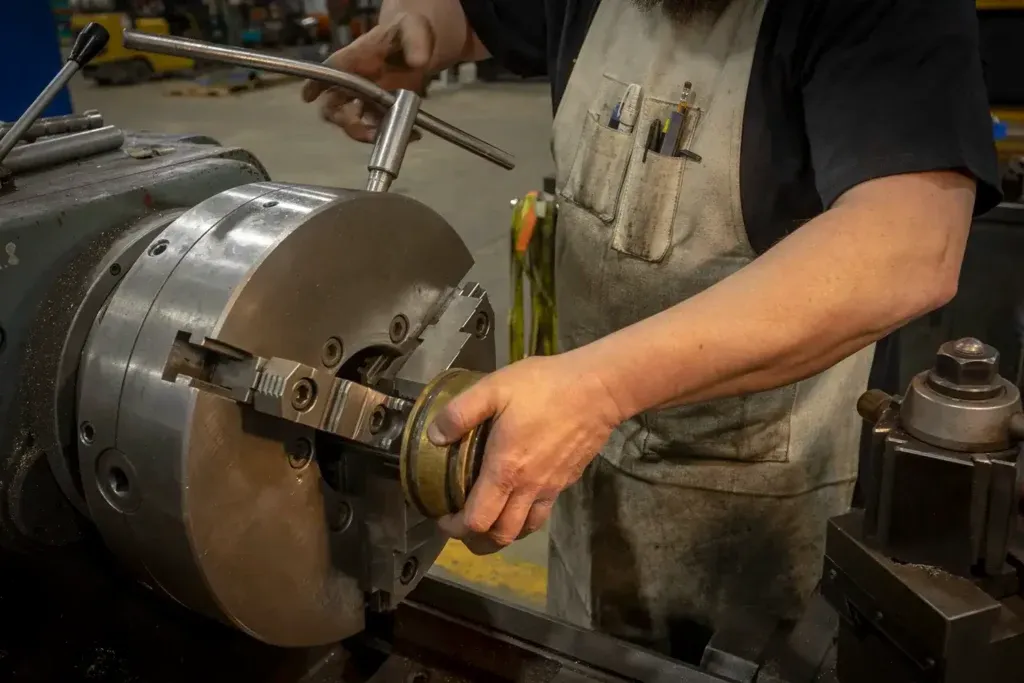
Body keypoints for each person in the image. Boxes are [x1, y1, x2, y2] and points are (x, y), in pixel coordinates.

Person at [302, 0, 1001, 657]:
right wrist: (417, 31)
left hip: (755, 524)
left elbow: (909, 247)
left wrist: (599, 388)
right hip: (580, 479)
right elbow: (464, 17)